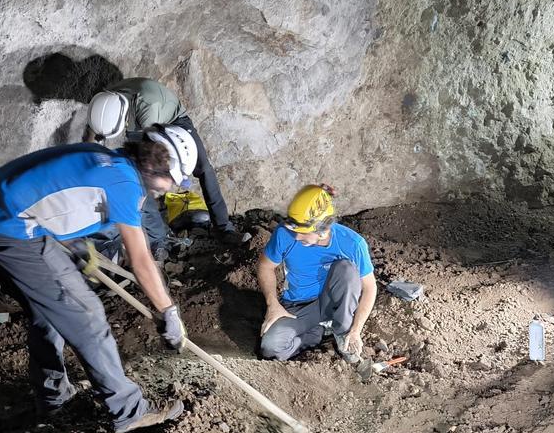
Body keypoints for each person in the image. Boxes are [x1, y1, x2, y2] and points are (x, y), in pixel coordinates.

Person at [0, 140, 188, 433]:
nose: (171, 189)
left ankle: (53, 398)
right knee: (87, 315)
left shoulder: (111, 160)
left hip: (4, 217)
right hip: (12, 230)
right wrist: (168, 311)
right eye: (174, 180)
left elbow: (57, 191)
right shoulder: (124, 185)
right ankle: (129, 411)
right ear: (156, 170)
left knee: (49, 312)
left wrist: (75, 241)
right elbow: (142, 260)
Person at [85, 78, 244, 259]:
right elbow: (90, 141)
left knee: (201, 169)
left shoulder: (148, 109)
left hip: (174, 121)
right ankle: (157, 237)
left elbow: (147, 159)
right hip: (142, 119)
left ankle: (224, 229)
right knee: (138, 178)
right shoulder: (102, 104)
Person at [257, 185, 377, 363]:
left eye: (303, 233)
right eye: (295, 230)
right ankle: (316, 333)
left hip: (332, 302)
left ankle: (342, 332)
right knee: (271, 347)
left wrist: (356, 330)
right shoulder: (284, 234)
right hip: (297, 305)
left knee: (346, 270)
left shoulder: (352, 243)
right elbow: (265, 267)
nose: (296, 237)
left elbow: (369, 287)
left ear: (323, 230)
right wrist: (273, 304)